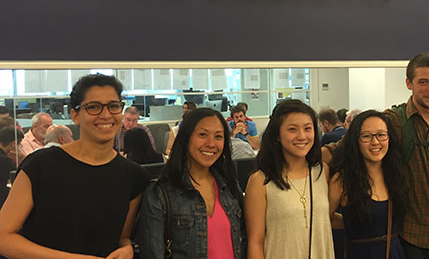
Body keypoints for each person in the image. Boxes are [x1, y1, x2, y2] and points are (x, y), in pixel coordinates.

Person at [323, 52, 429, 259]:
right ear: (409, 83)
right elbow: (342, 148)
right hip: (410, 241)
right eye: (423, 82)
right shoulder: (392, 122)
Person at [0, 73, 150, 258]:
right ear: (75, 115)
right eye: (93, 107)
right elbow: (3, 237)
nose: (106, 115)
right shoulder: (41, 165)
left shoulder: (134, 176)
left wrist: (126, 248)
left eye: (113, 106)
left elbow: (121, 237)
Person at [138, 108, 247, 259]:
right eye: (202, 134)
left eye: (218, 136)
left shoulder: (229, 187)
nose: (211, 143)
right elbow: (152, 254)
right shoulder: (160, 194)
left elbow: (243, 240)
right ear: (186, 138)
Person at [245, 99, 334, 259]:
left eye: (308, 129)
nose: (302, 136)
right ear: (277, 135)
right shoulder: (260, 181)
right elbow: (255, 242)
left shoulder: (322, 172)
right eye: (292, 129)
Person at [328, 110, 410, 259]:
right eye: (366, 136)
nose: (375, 142)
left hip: (395, 252)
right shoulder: (342, 180)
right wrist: (351, 222)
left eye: (381, 135)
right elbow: (324, 220)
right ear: (355, 140)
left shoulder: (397, 175)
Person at [0, 125, 22, 207]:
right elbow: (19, 180)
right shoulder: (6, 161)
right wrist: (23, 157)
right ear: (13, 144)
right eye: (19, 144)